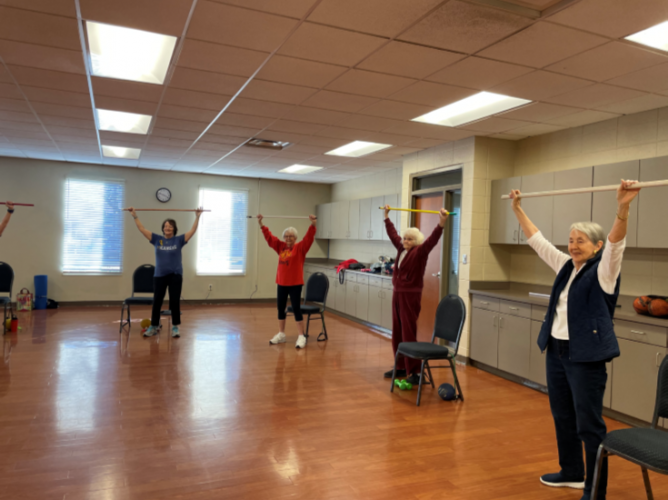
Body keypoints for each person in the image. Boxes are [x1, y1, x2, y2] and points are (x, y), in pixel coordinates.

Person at [510, 180, 640, 500]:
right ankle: (571, 472)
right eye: (571, 240)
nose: (573, 246)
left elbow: (616, 245)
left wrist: (623, 207)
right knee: (563, 416)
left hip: (585, 357)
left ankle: (595, 490)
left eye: (581, 241)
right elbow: (538, 241)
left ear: (597, 246)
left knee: (589, 424)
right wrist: (517, 209)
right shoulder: (566, 266)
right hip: (557, 351)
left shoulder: (604, 271)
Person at [383, 204, 449, 385]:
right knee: (397, 331)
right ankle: (401, 366)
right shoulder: (401, 249)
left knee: (408, 332)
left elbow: (432, 240)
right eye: (405, 238)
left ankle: (415, 371)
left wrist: (441, 223)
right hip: (397, 293)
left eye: (410, 239)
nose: (405, 241)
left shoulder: (420, 252)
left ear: (417, 241)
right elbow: (393, 235)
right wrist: (386, 217)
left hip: (410, 296)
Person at [128, 207, 203, 338]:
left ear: (174, 229)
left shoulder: (179, 240)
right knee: (157, 301)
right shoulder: (157, 239)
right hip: (159, 276)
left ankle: (175, 327)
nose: (167, 228)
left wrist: (197, 217)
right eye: (165, 226)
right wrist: (135, 216)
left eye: (170, 226)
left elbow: (192, 230)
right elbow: (142, 229)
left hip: (175, 275)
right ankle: (154, 326)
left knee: (174, 301)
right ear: (163, 228)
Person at [259, 214, 317, 349]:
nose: (288, 238)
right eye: (286, 236)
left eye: (291, 236)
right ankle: (281, 334)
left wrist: (313, 224)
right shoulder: (280, 246)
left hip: (295, 283)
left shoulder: (300, 248)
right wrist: (261, 224)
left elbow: (309, 238)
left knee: (296, 308)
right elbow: (270, 238)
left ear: (295, 238)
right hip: (281, 283)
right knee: (280, 308)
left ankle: (301, 336)